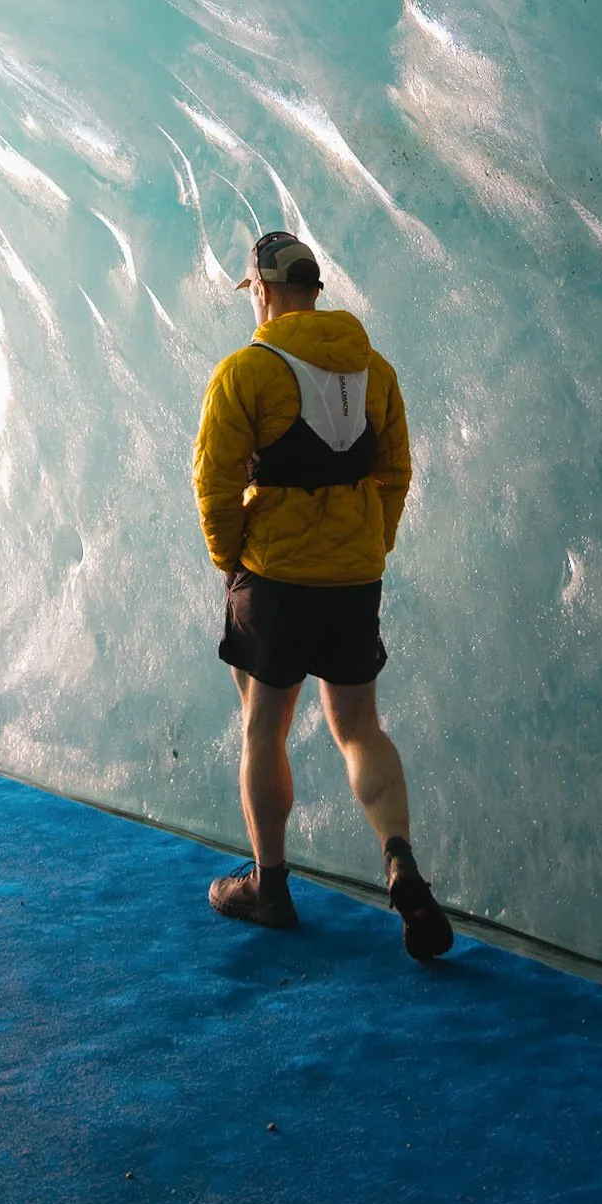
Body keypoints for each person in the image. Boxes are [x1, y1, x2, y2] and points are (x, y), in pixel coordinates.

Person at [192, 230, 453, 960]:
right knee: (359, 728)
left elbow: (213, 483)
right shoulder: (375, 370)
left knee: (264, 727)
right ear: (315, 287)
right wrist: (370, 546)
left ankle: (270, 885)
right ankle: (399, 856)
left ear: (264, 291)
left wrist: (230, 557)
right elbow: (395, 472)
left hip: (273, 578)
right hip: (352, 581)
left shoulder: (247, 371)